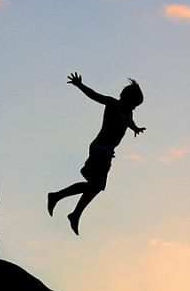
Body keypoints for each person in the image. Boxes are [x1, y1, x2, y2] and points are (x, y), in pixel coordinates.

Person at [47, 74, 145, 235]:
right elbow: (94, 95)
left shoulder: (129, 114)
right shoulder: (113, 104)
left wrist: (135, 128)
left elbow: (129, 122)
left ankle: (71, 211)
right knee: (97, 185)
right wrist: (80, 85)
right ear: (126, 98)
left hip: (108, 153)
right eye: (134, 104)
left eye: (136, 106)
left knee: (96, 186)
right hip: (99, 148)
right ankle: (60, 200)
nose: (134, 108)